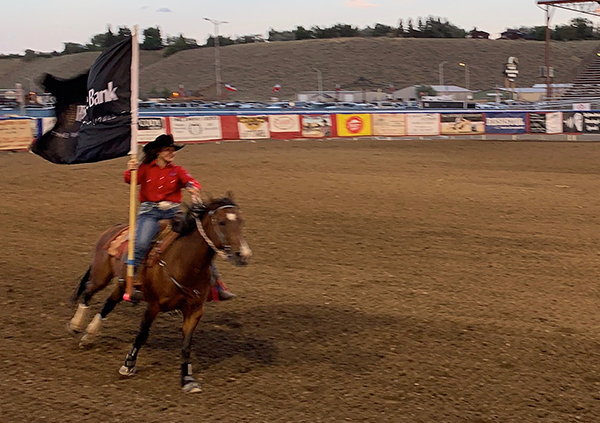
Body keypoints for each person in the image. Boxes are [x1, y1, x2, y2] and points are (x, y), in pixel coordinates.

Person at [123, 134, 235, 303]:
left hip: (173, 212)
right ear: (158, 152)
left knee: (200, 240)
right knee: (141, 242)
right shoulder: (145, 168)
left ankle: (216, 284)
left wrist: (192, 187)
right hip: (150, 212)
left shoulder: (177, 170)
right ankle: (133, 279)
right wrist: (130, 169)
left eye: (172, 150)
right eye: (168, 150)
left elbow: (190, 181)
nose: (171, 153)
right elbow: (130, 180)